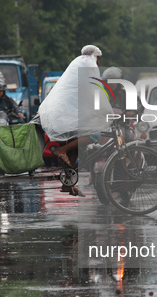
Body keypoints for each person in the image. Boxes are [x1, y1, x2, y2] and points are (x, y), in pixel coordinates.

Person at [39, 44, 107, 196]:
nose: (98, 63)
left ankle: (68, 185)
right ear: (92, 57)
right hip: (65, 115)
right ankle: (61, 150)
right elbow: (90, 93)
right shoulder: (87, 68)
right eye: (98, 59)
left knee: (74, 148)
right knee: (94, 134)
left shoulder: (77, 64)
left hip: (62, 113)